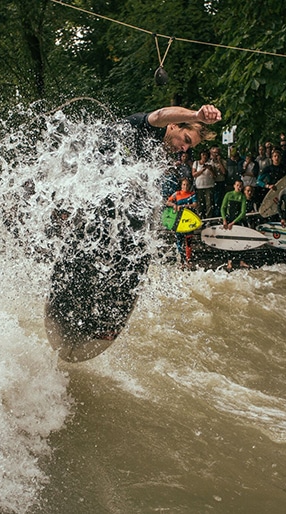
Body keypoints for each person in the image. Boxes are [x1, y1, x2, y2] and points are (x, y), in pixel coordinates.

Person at [46, 104, 221, 362]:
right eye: (185, 140)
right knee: (103, 230)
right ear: (175, 125)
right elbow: (161, 114)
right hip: (97, 178)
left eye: (189, 146)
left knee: (140, 240)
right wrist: (195, 116)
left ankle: (111, 307)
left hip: (116, 192)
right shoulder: (149, 125)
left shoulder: (157, 155)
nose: (185, 149)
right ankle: (72, 292)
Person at [166, 177, 198, 266]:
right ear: (181, 185)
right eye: (184, 184)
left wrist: (184, 206)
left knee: (188, 240)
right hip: (179, 219)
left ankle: (188, 259)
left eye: (187, 185)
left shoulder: (192, 194)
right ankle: (182, 259)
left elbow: (195, 205)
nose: (185, 186)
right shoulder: (177, 194)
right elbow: (167, 202)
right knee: (179, 240)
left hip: (188, 220)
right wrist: (174, 205)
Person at [220, 179, 249, 270]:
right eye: (237, 185)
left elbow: (243, 212)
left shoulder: (242, 197)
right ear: (234, 186)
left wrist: (234, 222)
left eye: (240, 186)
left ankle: (241, 260)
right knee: (229, 240)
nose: (239, 187)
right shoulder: (228, 195)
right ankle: (229, 262)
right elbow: (222, 208)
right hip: (229, 219)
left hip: (238, 220)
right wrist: (225, 220)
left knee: (242, 240)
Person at [192, 149, 215, 218]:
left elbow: (214, 176)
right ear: (200, 155)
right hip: (199, 186)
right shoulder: (196, 163)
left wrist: (210, 169)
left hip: (209, 186)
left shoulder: (211, 163)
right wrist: (202, 170)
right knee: (199, 204)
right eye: (203, 155)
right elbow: (194, 174)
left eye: (205, 155)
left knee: (209, 204)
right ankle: (200, 217)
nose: (204, 156)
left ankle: (208, 218)